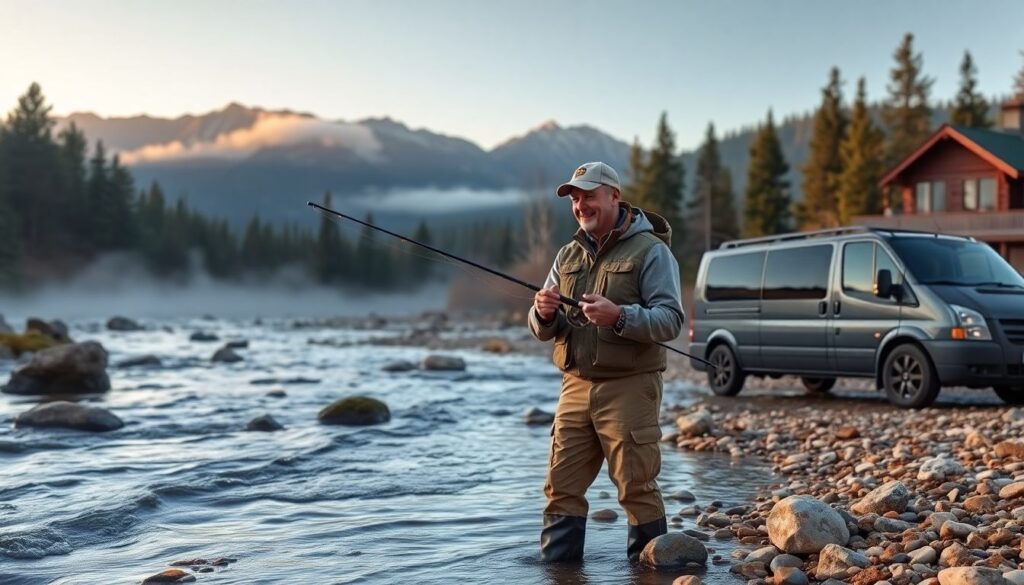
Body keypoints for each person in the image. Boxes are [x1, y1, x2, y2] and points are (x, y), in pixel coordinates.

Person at [528, 161, 685, 563]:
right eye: (575, 198)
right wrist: (543, 313)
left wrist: (620, 316)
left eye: (589, 196)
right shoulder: (567, 254)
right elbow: (542, 328)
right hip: (575, 386)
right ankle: (559, 573)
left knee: (637, 487)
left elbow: (671, 320)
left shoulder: (652, 251)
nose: (581, 205)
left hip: (631, 384)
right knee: (560, 486)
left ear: (614, 196)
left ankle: (651, 571)